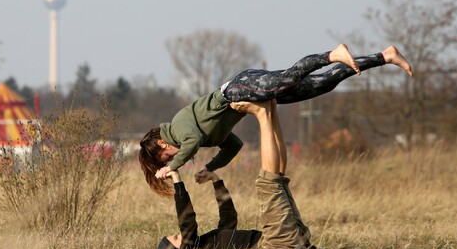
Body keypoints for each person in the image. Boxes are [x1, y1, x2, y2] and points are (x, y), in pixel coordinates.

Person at [140, 44, 413, 197]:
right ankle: (385, 56)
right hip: (252, 93)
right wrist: (210, 167)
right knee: (320, 86)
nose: (175, 160)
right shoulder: (206, 136)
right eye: (169, 162)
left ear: (163, 143)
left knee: (291, 77)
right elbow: (234, 146)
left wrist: (171, 167)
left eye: (167, 158)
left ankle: (332, 54)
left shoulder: (178, 127)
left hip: (238, 88)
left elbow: (192, 141)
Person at [156, 100, 327, 249]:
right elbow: (187, 222)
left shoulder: (208, 246)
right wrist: (177, 181)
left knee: (279, 180)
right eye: (177, 237)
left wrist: (216, 181)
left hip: (291, 240)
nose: (181, 234)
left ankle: (271, 111)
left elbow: (228, 219)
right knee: (268, 183)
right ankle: (262, 114)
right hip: (277, 246)